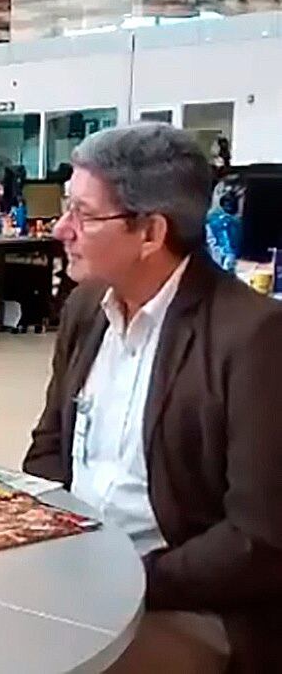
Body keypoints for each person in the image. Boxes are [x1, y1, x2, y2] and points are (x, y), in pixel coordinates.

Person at [22, 123, 282, 672]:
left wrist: (125, 580)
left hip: (190, 601)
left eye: (84, 214)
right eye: (67, 208)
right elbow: (49, 450)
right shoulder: (87, 309)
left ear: (150, 233)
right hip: (78, 576)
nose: (62, 229)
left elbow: (257, 540)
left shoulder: (253, 337)